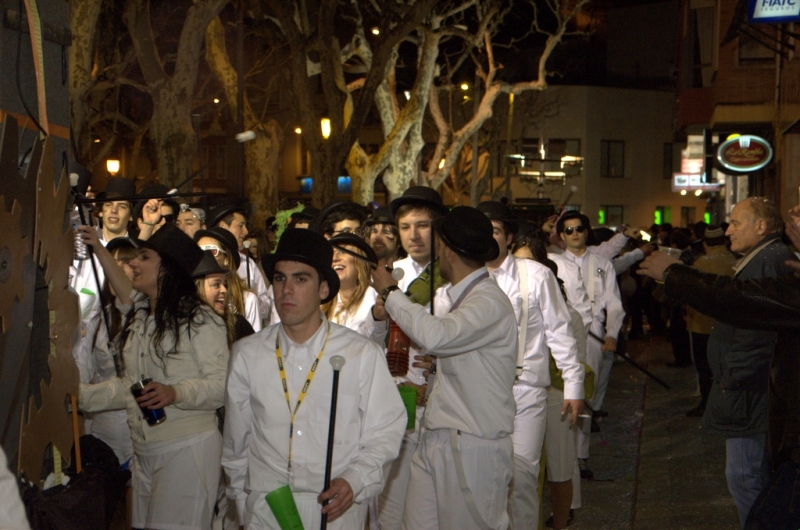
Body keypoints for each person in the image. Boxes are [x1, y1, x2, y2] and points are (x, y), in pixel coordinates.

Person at [222, 228, 405, 529]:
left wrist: (355, 479)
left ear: (323, 289)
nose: (286, 290)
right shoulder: (247, 353)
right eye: (279, 278)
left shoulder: (360, 353)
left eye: (300, 279)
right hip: (267, 507)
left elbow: (385, 430)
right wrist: (244, 507)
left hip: (334, 507)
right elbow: (236, 442)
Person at [372, 206, 518, 530]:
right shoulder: (467, 299)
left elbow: (436, 336)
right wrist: (435, 379)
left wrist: (390, 292)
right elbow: (466, 358)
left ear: (447, 251)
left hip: (472, 444)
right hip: (439, 437)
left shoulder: (488, 300)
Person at [637, 239, 800, 530]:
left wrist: (675, 274)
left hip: (752, 393)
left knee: (750, 484)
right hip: (762, 396)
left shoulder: (770, 257)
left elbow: (745, 304)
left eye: (737, 222)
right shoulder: (771, 258)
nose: (730, 231)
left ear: (760, 227)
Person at [77, 224, 229, 530]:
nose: (133, 263)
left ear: (167, 269)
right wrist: (77, 396)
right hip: (143, 453)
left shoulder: (200, 320)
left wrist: (175, 392)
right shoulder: (141, 317)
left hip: (187, 450)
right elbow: (131, 388)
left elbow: (222, 386)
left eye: (144, 257)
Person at [477, 201, 584, 528]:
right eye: (481, 231)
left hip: (525, 391)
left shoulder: (536, 275)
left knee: (521, 477)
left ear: (509, 237)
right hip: (477, 392)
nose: (487, 237)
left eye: (495, 231)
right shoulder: (464, 276)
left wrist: (573, 385)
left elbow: (559, 331)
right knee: (482, 479)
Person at [375, 186, 449, 529]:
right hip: (395, 395)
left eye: (422, 226)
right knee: (390, 503)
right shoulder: (387, 273)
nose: (414, 235)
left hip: (440, 401)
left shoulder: (451, 274)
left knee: (431, 507)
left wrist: (442, 362)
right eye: (405, 227)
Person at [549, 211, 624, 480]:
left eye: (579, 229)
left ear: (587, 231)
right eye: (568, 230)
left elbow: (614, 302)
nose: (574, 234)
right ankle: (558, 455)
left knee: (585, 394)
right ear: (561, 235)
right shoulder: (553, 263)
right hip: (563, 332)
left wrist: (612, 333)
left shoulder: (603, 264)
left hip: (593, 333)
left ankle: (580, 457)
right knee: (559, 393)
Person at [684, 226, 735, 417]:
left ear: (705, 243)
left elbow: (691, 293)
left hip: (701, 324)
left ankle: (706, 404)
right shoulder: (734, 261)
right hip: (727, 324)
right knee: (724, 366)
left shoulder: (701, 263)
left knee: (704, 367)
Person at [207, 200, 271, 322]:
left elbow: (266, 308)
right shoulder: (204, 261)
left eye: (245, 226)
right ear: (223, 226)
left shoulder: (248, 264)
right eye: (240, 226)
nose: (245, 231)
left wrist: (253, 299)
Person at [194, 227, 262, 332]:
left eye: (211, 251)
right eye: (199, 251)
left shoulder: (247, 300)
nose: (205, 257)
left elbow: (254, 340)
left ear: (226, 259)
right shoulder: (186, 298)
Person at [323, 233, 380, 337]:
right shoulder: (321, 304)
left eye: (343, 252)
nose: (335, 258)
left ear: (360, 260)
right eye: (331, 254)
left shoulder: (375, 297)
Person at [193, 250, 254, 346]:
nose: (224, 290)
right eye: (216, 284)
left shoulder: (239, 325)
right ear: (197, 289)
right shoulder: (182, 329)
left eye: (225, 285)